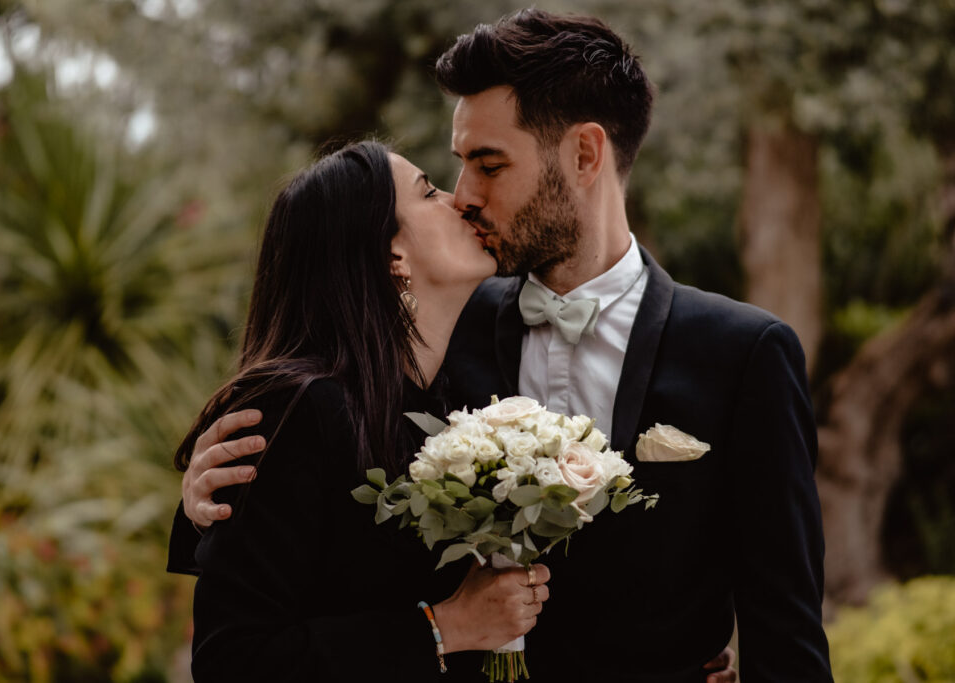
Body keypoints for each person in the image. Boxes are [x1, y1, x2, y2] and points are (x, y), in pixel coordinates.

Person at [176, 9, 833, 681]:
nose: (464, 196)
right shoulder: (434, 331)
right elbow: (326, 476)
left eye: (489, 165)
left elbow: (787, 630)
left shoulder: (744, 355)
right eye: (457, 167)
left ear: (584, 154)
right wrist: (208, 500)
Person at [170, 140, 553, 682]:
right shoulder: (298, 409)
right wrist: (444, 627)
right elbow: (231, 660)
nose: (459, 199)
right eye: (428, 192)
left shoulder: (455, 397)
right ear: (391, 256)